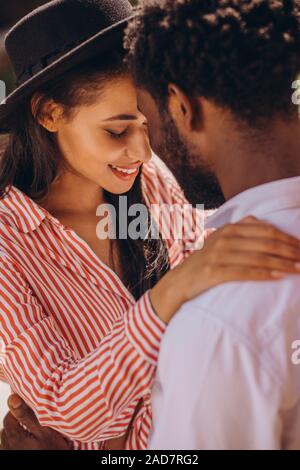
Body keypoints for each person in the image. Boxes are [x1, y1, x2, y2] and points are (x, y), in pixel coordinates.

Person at [2, 0, 300, 451]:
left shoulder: (154, 179)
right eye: (117, 133)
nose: (142, 153)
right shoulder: (9, 245)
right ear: (48, 114)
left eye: (146, 125)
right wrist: (172, 291)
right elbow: (63, 408)